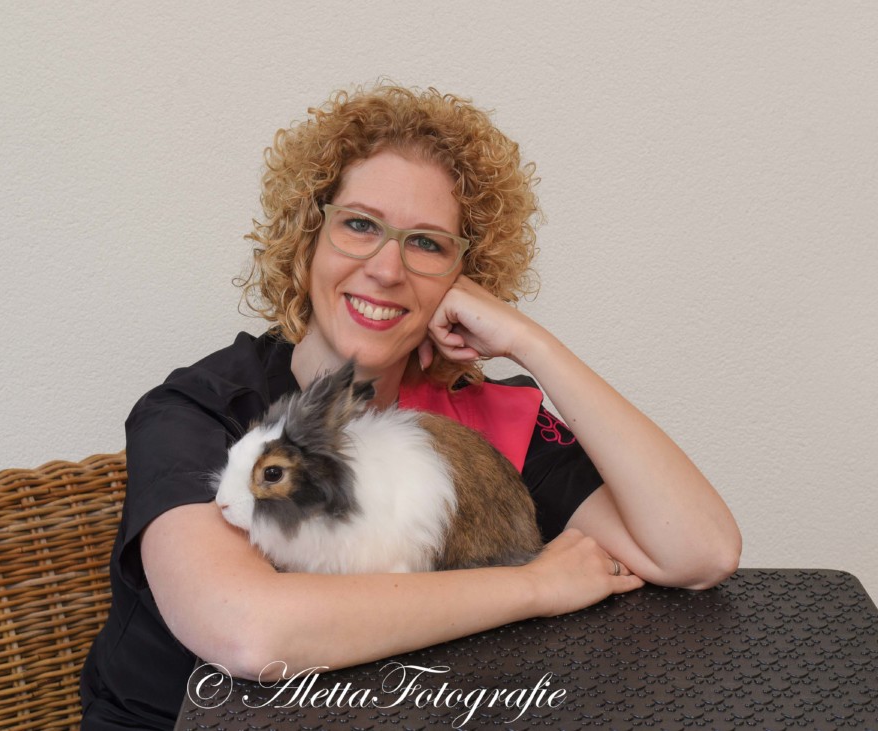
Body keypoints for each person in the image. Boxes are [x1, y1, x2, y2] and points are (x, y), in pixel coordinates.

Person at [79, 83, 741, 730]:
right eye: (359, 224)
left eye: (426, 243)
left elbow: (700, 552)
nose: (388, 269)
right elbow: (250, 633)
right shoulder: (199, 411)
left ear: (464, 276)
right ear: (308, 240)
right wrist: (536, 586)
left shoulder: (481, 424)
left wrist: (531, 343)